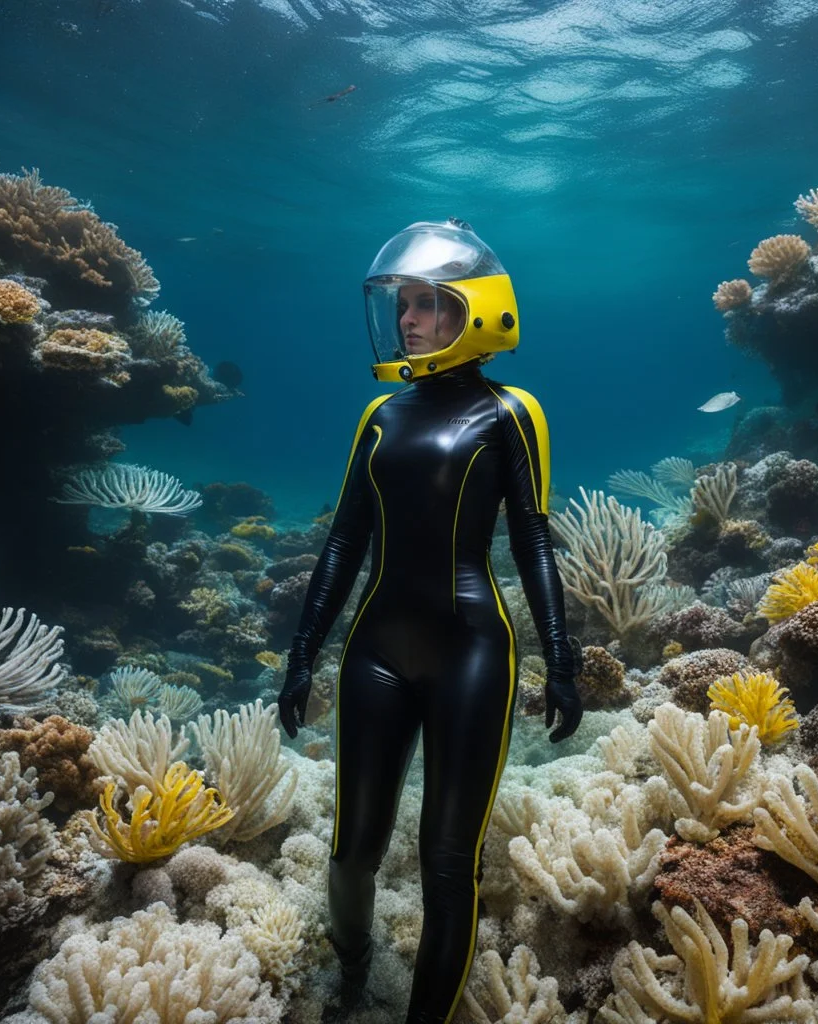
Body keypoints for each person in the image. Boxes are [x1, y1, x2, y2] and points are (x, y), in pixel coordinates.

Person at [277, 218, 583, 1024]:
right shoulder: (379, 414)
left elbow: (533, 544)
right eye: (402, 304)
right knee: (351, 851)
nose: (407, 319)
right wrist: (301, 653)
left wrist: (564, 660)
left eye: (425, 304)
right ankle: (352, 972)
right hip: (373, 652)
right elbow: (344, 541)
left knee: (450, 865)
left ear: (475, 311)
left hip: (472, 653)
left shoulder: (515, 413)